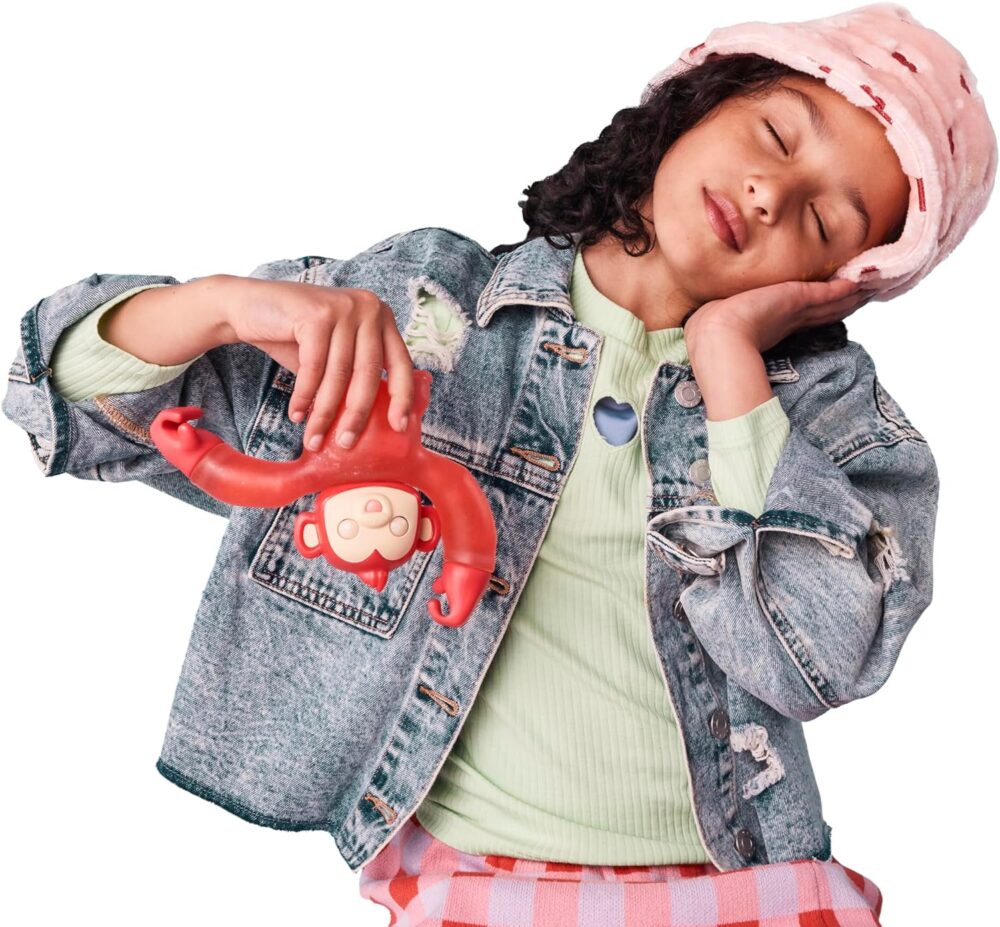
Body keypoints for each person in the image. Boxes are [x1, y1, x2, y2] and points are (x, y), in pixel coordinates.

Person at [3, 3, 995, 925]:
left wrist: (731, 360)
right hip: (474, 888)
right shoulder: (431, 317)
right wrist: (215, 305)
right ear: (699, 100)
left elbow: (814, 660)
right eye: (776, 135)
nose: (770, 193)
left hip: (745, 890)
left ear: (832, 288)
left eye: (823, 223)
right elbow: (58, 399)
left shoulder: (833, 426)